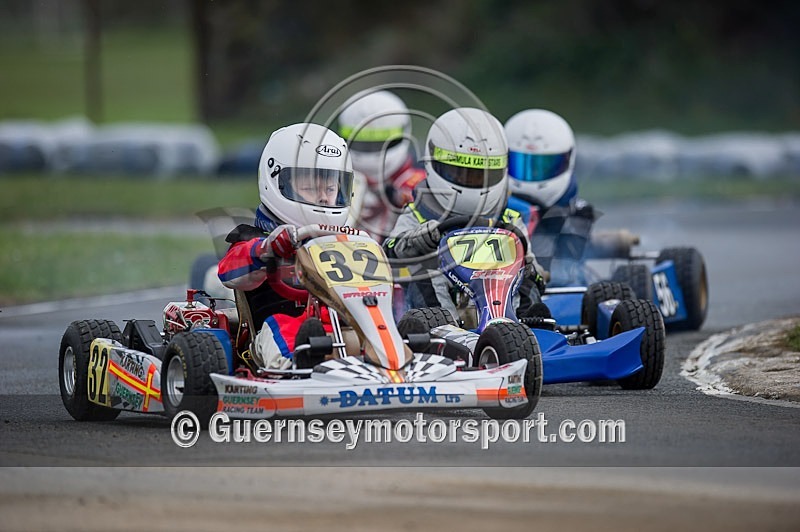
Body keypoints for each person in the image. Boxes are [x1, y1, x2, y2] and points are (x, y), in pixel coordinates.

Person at [383, 107, 547, 321]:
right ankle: (443, 326)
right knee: (424, 271)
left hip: (498, 297)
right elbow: (390, 251)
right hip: (438, 312)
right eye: (461, 173)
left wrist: (533, 269)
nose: (471, 182)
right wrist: (421, 240)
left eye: (481, 176)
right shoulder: (418, 214)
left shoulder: (508, 218)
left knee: (525, 273)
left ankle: (528, 326)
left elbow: (532, 263)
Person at [217, 123, 355, 370]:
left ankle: (407, 352)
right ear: (277, 182)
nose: (324, 197)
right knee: (284, 327)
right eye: (311, 187)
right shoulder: (253, 238)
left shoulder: (344, 240)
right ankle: (299, 367)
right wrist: (268, 249)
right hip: (281, 327)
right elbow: (228, 273)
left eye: (331, 188)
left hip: (341, 323)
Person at [504, 109, 596, 286]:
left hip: (552, 291)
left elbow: (565, 274)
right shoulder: (494, 205)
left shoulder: (577, 212)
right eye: (521, 164)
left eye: (543, 167)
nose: (532, 175)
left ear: (568, 160)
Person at [338, 90, 425, 241]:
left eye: (380, 142)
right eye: (362, 142)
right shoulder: (333, 180)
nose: (371, 149)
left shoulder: (421, 182)